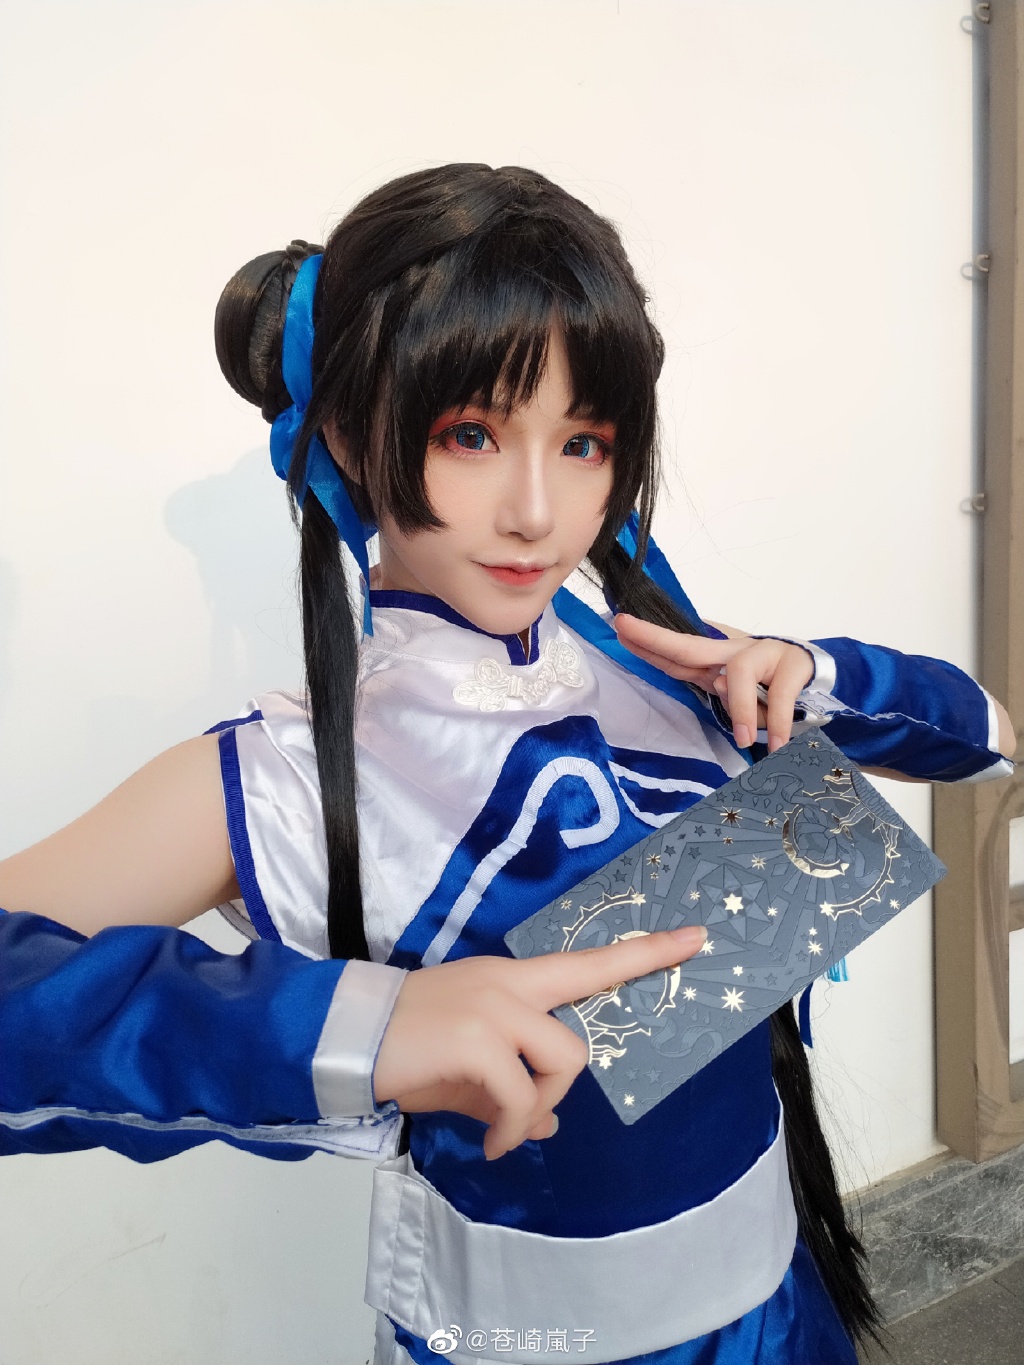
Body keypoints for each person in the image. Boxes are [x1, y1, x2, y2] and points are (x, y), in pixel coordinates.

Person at [0, 164, 1014, 1365]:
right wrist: (353, 1025)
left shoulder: (670, 674)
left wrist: (821, 672)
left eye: (583, 442)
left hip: (777, 1299)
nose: (538, 511)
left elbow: (988, 741)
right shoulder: (287, 777)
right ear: (347, 435)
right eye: (472, 434)